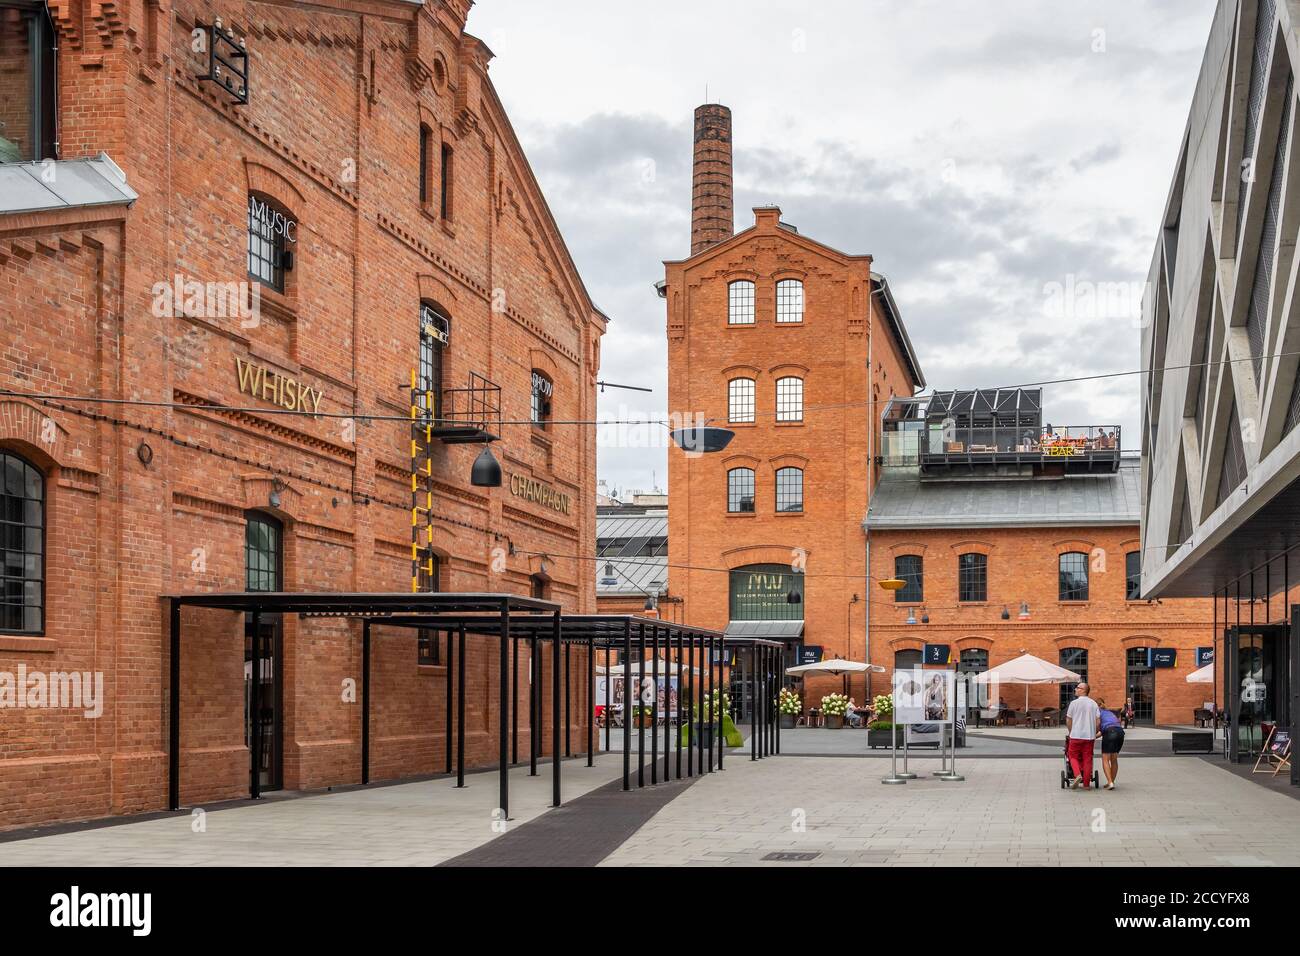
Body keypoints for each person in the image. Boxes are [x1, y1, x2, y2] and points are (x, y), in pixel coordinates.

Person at [1064, 681, 1100, 790]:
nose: (1075, 689)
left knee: (1072, 756)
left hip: (1076, 735)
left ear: (1083, 690)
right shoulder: (1093, 703)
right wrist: (1094, 732)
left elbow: (1068, 720)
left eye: (1077, 687)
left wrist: (1071, 732)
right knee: (1087, 759)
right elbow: (1098, 721)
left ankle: (1077, 774)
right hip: (1089, 737)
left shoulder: (1074, 703)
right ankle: (1086, 785)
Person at [1096, 697, 1124, 790]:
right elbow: (1104, 730)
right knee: (1114, 759)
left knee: (1105, 759)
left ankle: (1110, 782)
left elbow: (1101, 728)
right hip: (1120, 732)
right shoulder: (1110, 713)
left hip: (1110, 732)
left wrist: (1092, 736)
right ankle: (1111, 781)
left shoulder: (1098, 713)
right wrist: (1095, 737)